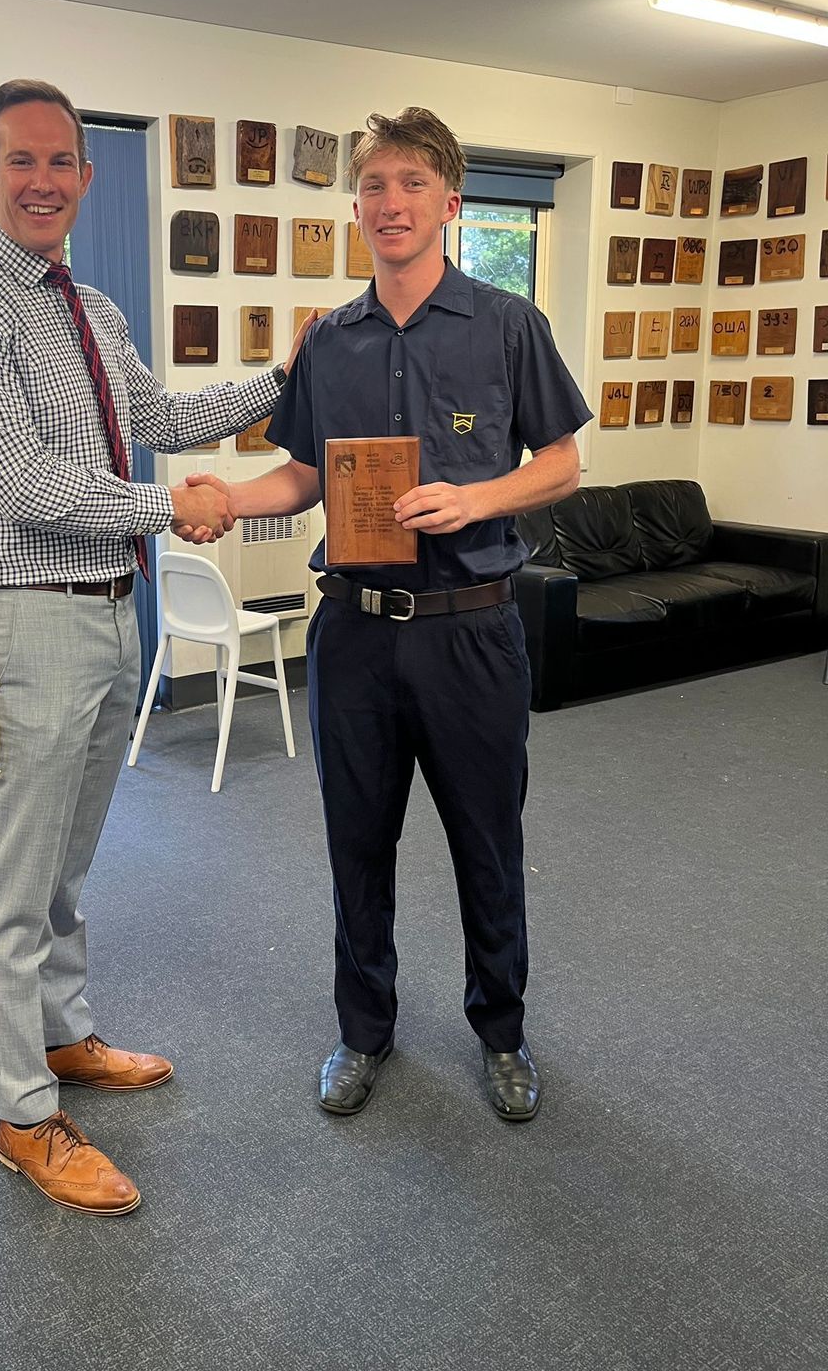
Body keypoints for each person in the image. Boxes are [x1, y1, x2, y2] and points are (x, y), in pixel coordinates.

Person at [0, 78, 309, 1215]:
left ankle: (62, 1033)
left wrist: (287, 377)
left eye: (60, 162)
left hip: (108, 612)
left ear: (85, 175)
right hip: (23, 621)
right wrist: (175, 506)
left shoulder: (94, 308)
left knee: (65, 864)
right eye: (20, 161)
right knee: (11, 881)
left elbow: (159, 418)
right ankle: (23, 1114)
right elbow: (25, 485)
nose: (42, 182)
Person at [191, 107, 592, 1122]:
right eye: (374, 186)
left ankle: (501, 1030)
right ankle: (363, 1030)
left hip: (472, 631)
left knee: (487, 844)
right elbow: (302, 476)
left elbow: (562, 463)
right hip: (357, 634)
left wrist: (478, 499)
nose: (391, 202)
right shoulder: (329, 342)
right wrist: (226, 498)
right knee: (356, 843)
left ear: (450, 202)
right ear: (358, 207)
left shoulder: (509, 325)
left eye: (412, 183)